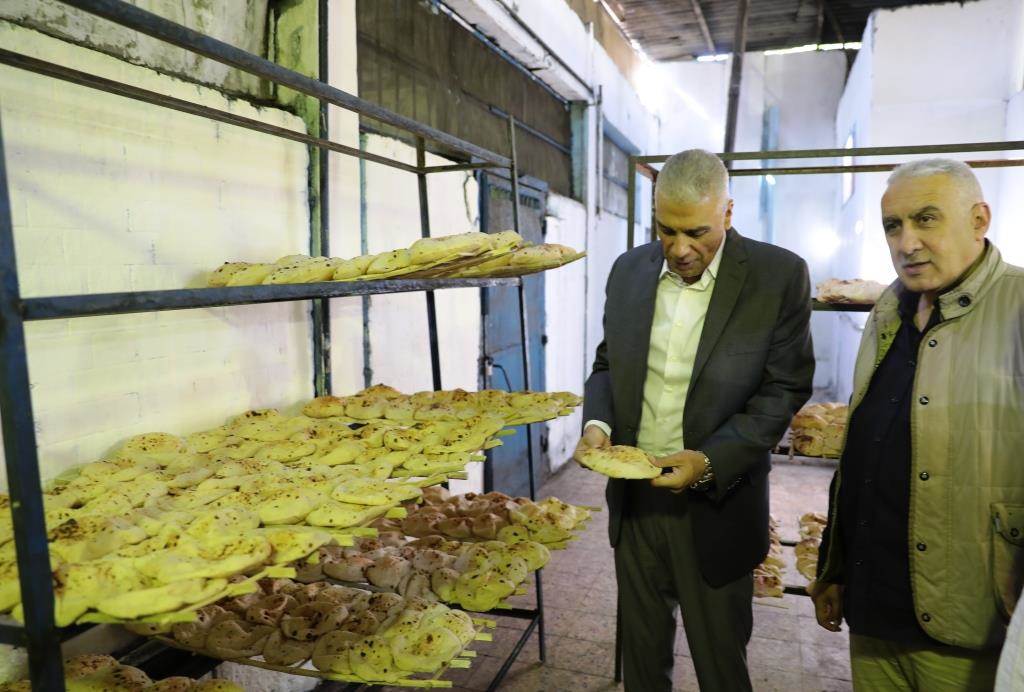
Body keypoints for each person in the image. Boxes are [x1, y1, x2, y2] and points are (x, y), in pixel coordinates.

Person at [575, 149, 815, 691]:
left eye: (697, 232)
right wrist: (599, 426)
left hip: (718, 504)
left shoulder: (777, 276)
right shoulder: (629, 271)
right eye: (666, 230)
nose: (680, 249)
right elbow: (608, 365)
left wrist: (708, 461)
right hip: (636, 502)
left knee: (720, 664)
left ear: (727, 212)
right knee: (641, 660)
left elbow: (783, 390)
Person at [812, 158, 1024, 691]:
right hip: (874, 612)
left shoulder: (1018, 306)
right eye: (893, 225)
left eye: (927, 219)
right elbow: (863, 452)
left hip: (971, 627)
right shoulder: (890, 310)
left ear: (979, 220)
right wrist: (834, 568)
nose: (906, 243)